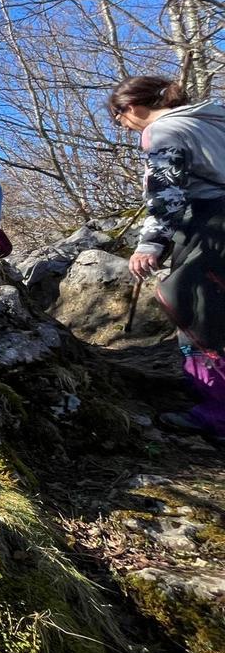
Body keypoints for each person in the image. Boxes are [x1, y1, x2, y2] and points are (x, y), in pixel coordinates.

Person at [109, 74, 225, 442]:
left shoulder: (162, 131)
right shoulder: (213, 117)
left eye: (119, 119)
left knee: (195, 306)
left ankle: (217, 412)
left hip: (213, 224)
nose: (123, 127)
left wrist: (150, 245)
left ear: (132, 108)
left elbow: (166, 195)